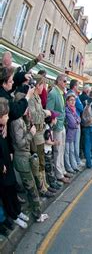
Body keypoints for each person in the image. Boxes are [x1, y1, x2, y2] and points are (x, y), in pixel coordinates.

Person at [10, 93, 49, 223]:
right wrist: (31, 133)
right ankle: (37, 215)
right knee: (31, 188)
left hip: (25, 157)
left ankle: (37, 213)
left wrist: (28, 120)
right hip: (21, 158)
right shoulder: (16, 122)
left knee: (33, 186)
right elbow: (21, 143)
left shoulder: (21, 119)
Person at [0, 98, 30, 229]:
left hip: (7, 160)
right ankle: (13, 215)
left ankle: (17, 212)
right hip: (2, 167)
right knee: (6, 192)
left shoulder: (2, 127)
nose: (7, 118)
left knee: (12, 188)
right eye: (5, 116)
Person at [27, 75, 55, 197]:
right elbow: (33, 116)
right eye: (42, 84)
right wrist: (46, 113)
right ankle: (42, 188)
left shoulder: (36, 96)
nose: (44, 87)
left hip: (40, 132)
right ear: (38, 85)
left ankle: (44, 185)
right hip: (36, 134)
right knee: (39, 162)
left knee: (41, 161)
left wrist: (44, 113)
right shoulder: (31, 98)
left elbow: (39, 112)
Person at [46, 74, 71, 184]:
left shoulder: (61, 93)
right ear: (59, 81)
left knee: (62, 149)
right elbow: (49, 110)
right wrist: (55, 121)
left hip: (62, 125)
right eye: (65, 81)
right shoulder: (53, 93)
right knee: (57, 150)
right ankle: (59, 174)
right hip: (56, 126)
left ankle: (62, 170)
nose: (66, 83)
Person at [67, 80, 84, 168]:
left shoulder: (71, 94)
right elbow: (81, 107)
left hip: (74, 120)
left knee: (72, 145)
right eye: (77, 85)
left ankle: (74, 162)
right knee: (74, 144)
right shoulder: (74, 95)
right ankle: (76, 162)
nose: (78, 88)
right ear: (74, 86)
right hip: (74, 121)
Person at [64, 94, 81, 174]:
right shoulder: (67, 109)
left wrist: (77, 121)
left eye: (74, 100)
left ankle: (74, 166)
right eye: (71, 100)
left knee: (72, 150)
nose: (73, 102)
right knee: (67, 152)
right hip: (68, 134)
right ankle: (68, 167)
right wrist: (76, 122)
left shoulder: (73, 109)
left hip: (72, 134)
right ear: (67, 101)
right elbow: (72, 123)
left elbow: (79, 119)